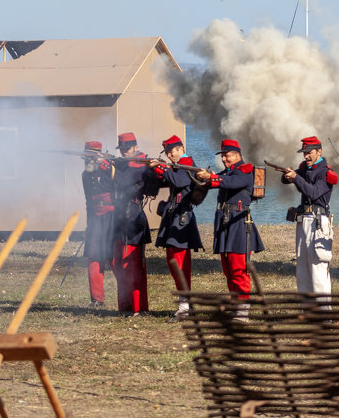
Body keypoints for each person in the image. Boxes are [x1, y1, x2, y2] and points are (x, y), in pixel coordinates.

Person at [194, 139, 265, 318]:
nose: (224, 159)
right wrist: (202, 176)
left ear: (237, 155)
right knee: (228, 268)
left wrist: (212, 177)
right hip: (225, 221)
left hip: (238, 222)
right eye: (223, 156)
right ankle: (235, 304)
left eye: (227, 155)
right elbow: (218, 181)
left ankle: (243, 309)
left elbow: (231, 183)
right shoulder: (228, 172)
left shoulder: (245, 170)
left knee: (238, 267)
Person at [150, 135, 204, 320]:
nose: (170, 153)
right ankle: (185, 302)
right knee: (177, 262)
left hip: (181, 218)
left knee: (178, 263)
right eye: (167, 151)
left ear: (181, 148)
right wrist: (157, 170)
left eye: (173, 150)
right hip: (175, 216)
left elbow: (179, 181)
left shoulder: (186, 162)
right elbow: (169, 179)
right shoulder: (177, 165)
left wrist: (160, 167)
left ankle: (184, 306)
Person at [280, 136, 337, 304]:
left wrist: (296, 178)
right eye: (304, 152)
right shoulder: (305, 168)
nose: (306, 156)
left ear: (319, 151)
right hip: (303, 219)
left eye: (309, 152)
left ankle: (323, 312)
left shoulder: (326, 173)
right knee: (303, 267)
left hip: (318, 222)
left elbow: (313, 192)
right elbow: (287, 180)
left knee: (318, 268)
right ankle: (307, 309)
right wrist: (289, 175)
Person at [111, 132, 159, 315]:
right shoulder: (122, 164)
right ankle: (125, 306)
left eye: (126, 149)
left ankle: (139, 308)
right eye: (122, 149)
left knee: (133, 265)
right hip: (119, 218)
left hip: (133, 215)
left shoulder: (142, 165)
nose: (123, 152)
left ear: (135, 147)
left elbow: (143, 187)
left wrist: (112, 168)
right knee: (117, 263)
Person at [81, 140, 115, 306]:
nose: (89, 161)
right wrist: (89, 225)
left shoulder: (110, 169)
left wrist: (106, 165)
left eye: (92, 157)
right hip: (95, 219)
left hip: (111, 217)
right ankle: (96, 299)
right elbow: (88, 201)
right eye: (87, 157)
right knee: (94, 257)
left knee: (115, 258)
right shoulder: (85, 175)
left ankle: (126, 297)